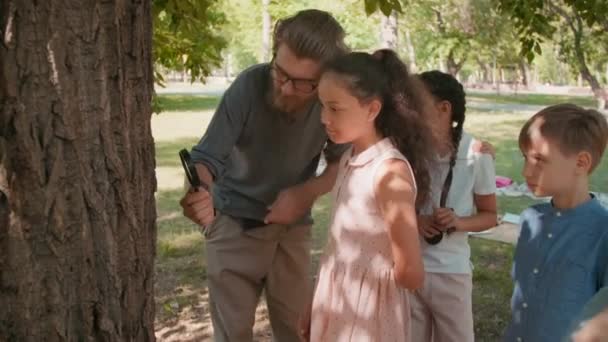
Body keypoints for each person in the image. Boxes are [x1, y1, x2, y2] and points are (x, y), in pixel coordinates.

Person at [179, 9, 349, 341]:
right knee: (233, 334)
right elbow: (207, 158)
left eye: (302, 84)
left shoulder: (332, 100)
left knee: (298, 331)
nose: (286, 88)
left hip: (292, 230)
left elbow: (342, 162)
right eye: (280, 73)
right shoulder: (250, 84)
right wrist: (198, 191)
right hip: (232, 223)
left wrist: (305, 194)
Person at [304, 49, 434, 341]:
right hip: (336, 303)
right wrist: (317, 301)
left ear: (372, 109)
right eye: (322, 106)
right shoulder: (350, 158)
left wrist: (368, 280)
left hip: (368, 318)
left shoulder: (389, 173)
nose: (324, 117)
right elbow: (337, 246)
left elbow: (411, 272)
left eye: (335, 108)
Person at [504, 104, 608, 342]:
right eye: (525, 158)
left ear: (581, 163)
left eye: (539, 159)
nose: (526, 171)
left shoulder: (603, 232)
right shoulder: (530, 219)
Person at [409, 70, 498, 342]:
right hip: (412, 269)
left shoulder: (476, 155)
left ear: (444, 109)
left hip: (452, 272)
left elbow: (490, 216)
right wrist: (416, 221)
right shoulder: (409, 151)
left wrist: (458, 222)